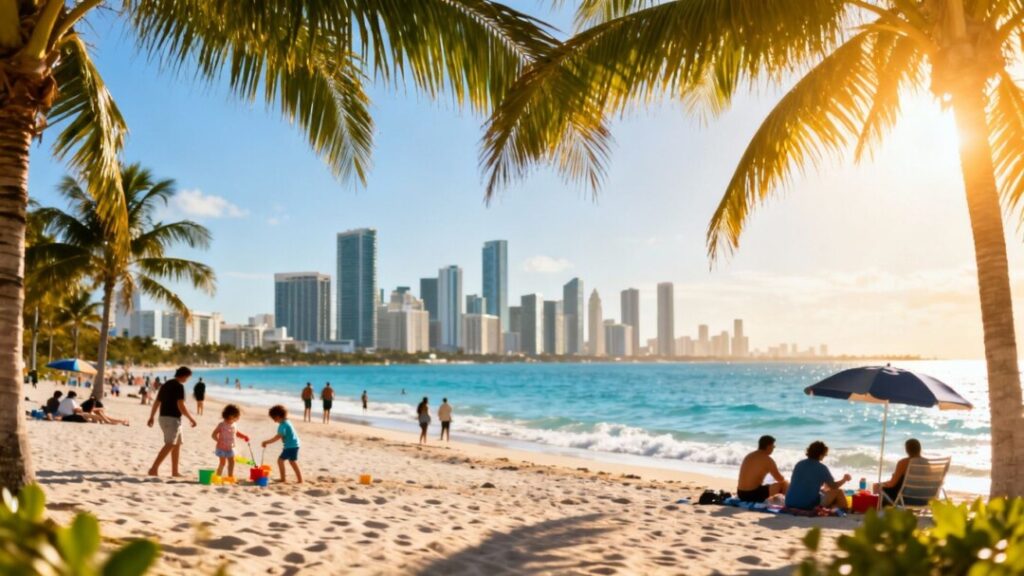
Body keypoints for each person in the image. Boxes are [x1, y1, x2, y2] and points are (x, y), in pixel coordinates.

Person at [146, 366, 198, 477]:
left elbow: (157, 402)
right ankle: (153, 469)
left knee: (177, 444)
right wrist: (191, 418)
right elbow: (181, 405)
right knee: (170, 444)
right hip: (172, 419)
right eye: (188, 377)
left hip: (164, 418)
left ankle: (175, 471)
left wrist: (152, 416)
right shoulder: (179, 386)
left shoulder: (166, 384)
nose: (187, 379)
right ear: (184, 375)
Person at [786, 441, 851, 511]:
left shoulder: (799, 464)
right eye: (824, 455)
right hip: (807, 505)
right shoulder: (821, 468)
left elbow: (803, 483)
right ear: (820, 455)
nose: (825, 456)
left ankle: (832, 506)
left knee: (822, 492)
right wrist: (844, 479)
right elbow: (834, 486)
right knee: (839, 492)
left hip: (790, 502)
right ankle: (843, 509)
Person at [737, 435, 789, 502]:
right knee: (783, 484)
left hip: (741, 493)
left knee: (767, 484)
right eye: (773, 446)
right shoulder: (767, 460)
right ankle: (786, 502)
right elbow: (779, 479)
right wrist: (785, 479)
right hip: (752, 495)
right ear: (768, 446)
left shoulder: (749, 455)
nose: (774, 448)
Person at [874, 438, 924, 505]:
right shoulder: (927, 463)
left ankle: (883, 513)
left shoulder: (903, 462)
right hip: (924, 499)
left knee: (879, 487)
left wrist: (880, 485)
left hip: (906, 499)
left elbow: (892, 484)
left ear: (907, 450)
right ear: (919, 448)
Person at [262, 405, 302, 483]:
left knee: (280, 461)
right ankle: (300, 479)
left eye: (274, 418)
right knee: (292, 462)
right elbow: (285, 435)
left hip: (290, 446)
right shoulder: (288, 422)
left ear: (277, 416)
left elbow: (278, 437)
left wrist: (266, 442)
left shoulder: (282, 425)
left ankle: (283, 479)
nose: (274, 421)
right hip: (295, 445)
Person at [212, 404, 249, 479]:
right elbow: (213, 434)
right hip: (221, 448)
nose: (238, 418)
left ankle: (230, 476)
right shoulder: (222, 425)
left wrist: (244, 436)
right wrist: (218, 440)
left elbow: (236, 433)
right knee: (222, 463)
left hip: (230, 447)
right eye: (237, 416)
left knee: (232, 462)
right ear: (231, 415)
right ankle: (218, 476)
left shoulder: (234, 424)